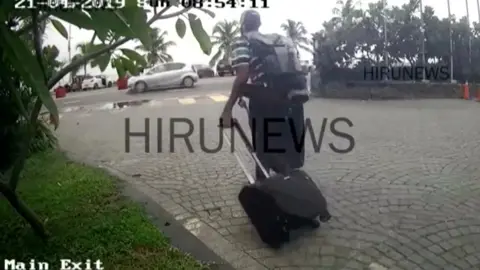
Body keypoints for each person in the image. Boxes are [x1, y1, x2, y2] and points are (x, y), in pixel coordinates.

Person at [219, 10, 307, 181]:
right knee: (286, 146)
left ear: (242, 26)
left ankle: (264, 187)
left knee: (263, 148)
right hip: (293, 100)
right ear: (259, 24)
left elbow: (242, 76)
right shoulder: (280, 39)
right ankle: (291, 184)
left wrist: (227, 110)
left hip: (266, 103)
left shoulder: (243, 41)